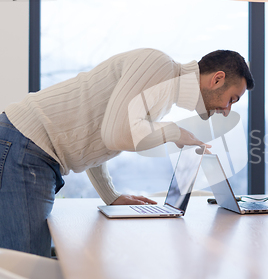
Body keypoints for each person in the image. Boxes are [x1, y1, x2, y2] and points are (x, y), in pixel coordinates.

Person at [0, 48, 254, 256]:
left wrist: (110, 195)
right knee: (27, 266)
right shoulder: (159, 67)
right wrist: (175, 133)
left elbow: (98, 138)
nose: (227, 109)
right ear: (217, 79)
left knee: (32, 261)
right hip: (25, 146)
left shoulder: (163, 92)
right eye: (231, 99)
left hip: (26, 147)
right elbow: (116, 134)